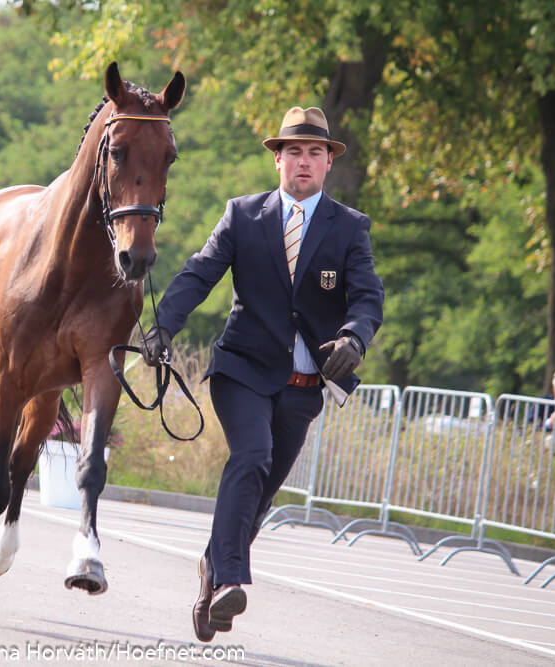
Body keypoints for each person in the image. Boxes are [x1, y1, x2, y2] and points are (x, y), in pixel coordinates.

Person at [140, 107, 384, 642]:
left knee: (261, 494)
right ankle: (232, 579)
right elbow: (199, 273)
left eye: (315, 152)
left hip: (303, 386)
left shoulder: (350, 227)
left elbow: (368, 298)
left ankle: (211, 573)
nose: (304, 161)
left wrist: (353, 338)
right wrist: (162, 326)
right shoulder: (243, 215)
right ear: (278, 159)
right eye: (294, 152)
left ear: (328, 162)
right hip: (242, 371)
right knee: (251, 457)